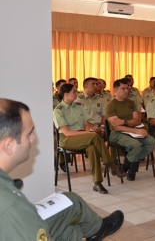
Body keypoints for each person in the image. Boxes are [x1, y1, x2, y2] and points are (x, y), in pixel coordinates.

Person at [0, 98, 124, 240]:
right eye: (29, 134)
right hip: (21, 224)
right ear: (9, 145)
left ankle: (96, 230)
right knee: (72, 212)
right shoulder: (10, 205)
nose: (34, 139)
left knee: (70, 207)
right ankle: (98, 230)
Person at [53, 84, 127, 194]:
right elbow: (66, 132)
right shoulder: (58, 110)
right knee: (94, 136)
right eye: (74, 91)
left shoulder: (79, 106)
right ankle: (112, 165)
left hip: (83, 136)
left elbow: (86, 123)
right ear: (66, 94)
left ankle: (97, 183)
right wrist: (87, 134)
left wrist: (87, 133)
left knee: (92, 148)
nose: (77, 93)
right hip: (67, 139)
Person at [106, 79, 155, 181]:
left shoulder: (131, 102)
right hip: (117, 133)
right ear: (116, 89)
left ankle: (124, 167)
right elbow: (117, 126)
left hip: (132, 131)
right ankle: (131, 168)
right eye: (123, 88)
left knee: (152, 142)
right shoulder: (110, 105)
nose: (126, 91)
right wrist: (134, 130)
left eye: (127, 88)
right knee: (135, 145)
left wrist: (124, 122)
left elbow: (137, 121)